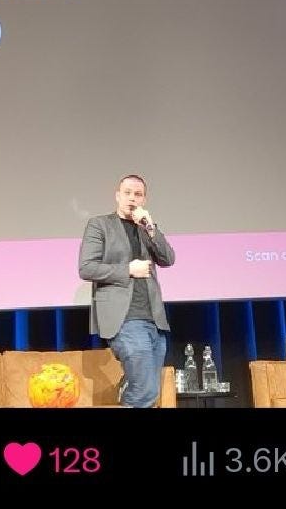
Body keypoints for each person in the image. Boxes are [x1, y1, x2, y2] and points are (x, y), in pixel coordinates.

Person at [78, 173, 175, 407]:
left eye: (138, 194)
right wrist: (128, 269)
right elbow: (86, 267)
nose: (132, 198)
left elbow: (168, 259)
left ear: (144, 199)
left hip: (154, 319)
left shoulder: (146, 229)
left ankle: (127, 391)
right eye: (127, 193)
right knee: (144, 390)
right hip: (124, 318)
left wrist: (150, 227)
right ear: (117, 196)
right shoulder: (100, 225)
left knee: (150, 390)